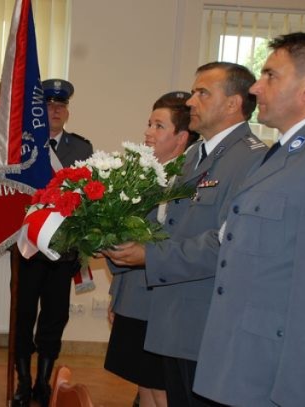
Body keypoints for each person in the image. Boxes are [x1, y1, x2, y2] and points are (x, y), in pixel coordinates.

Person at [192, 32, 305, 407]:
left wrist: (301, 396)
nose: (256, 88)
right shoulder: (283, 154)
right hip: (244, 365)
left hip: (281, 381)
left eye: (270, 75)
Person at [103, 62, 267, 407]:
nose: (191, 101)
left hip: (203, 322)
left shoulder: (250, 160)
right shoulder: (195, 156)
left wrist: (148, 255)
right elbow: (169, 226)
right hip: (174, 318)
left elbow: (226, 243)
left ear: (233, 103)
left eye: (202, 93)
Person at [104, 91, 199, 407]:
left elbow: (170, 245)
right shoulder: (142, 177)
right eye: (149, 123)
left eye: (159, 126)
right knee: (144, 384)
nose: (148, 132)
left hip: (158, 303)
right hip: (133, 298)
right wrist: (116, 297)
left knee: (163, 390)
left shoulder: (187, 183)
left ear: (182, 137)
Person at [12, 78, 93, 407]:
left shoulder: (82, 149)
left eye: (61, 105)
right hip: (29, 248)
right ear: (39, 110)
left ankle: (43, 381)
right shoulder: (23, 146)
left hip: (63, 249)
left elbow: (88, 198)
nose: (55, 110)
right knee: (23, 315)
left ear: (67, 111)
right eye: (49, 105)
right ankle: (23, 381)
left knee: (55, 316)